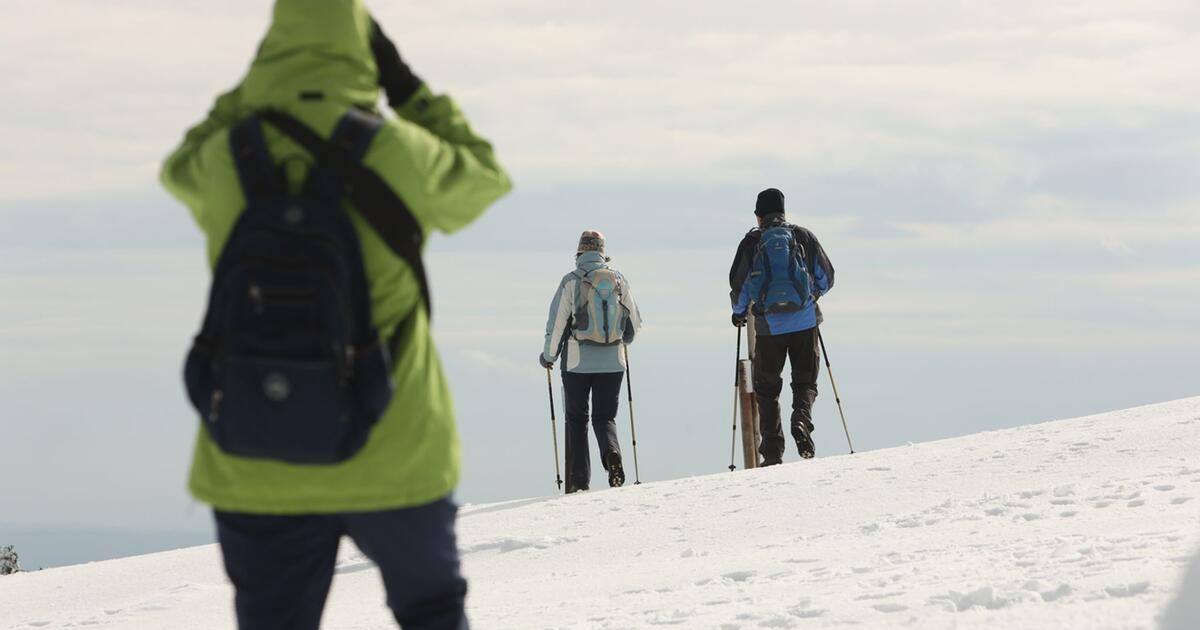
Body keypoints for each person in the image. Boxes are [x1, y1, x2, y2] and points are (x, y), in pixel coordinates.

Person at [159, 1, 511, 628]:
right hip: (395, 445)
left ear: (272, 48)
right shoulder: (402, 154)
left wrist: (249, 92)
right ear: (365, 53)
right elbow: (484, 175)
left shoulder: (225, 158)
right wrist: (408, 90)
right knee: (433, 613)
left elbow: (176, 165)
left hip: (254, 452)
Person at [729, 188, 834, 466]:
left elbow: (739, 287)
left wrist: (739, 314)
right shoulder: (803, 237)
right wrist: (812, 296)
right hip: (805, 322)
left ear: (758, 216)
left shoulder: (752, 242)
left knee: (767, 389)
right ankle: (801, 420)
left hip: (768, 327)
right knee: (805, 381)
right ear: (784, 212)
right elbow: (827, 277)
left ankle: (773, 453)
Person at [540, 231, 642, 493]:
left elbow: (557, 324)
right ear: (602, 252)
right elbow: (635, 323)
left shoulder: (571, 282)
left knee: (576, 419)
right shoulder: (619, 280)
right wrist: (624, 341)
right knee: (605, 417)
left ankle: (579, 482)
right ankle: (612, 453)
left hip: (577, 363)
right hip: (613, 362)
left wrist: (548, 357)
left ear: (580, 253)